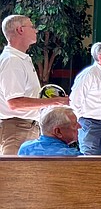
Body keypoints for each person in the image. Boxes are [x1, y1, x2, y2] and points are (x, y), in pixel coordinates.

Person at [0, 15, 68, 156]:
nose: (36, 30)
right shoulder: (12, 61)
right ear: (20, 30)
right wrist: (56, 101)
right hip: (16, 128)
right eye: (32, 26)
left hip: (25, 126)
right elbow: (14, 103)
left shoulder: (21, 58)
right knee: (13, 176)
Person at [68, 41, 101, 156]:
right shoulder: (89, 74)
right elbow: (75, 100)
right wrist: (81, 122)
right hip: (90, 123)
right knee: (88, 160)